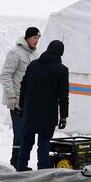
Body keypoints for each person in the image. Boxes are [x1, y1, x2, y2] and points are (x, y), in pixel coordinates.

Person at [15, 39, 68, 171]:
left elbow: (23, 86)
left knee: (26, 141)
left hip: (30, 111)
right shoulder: (62, 70)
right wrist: (63, 116)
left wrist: (21, 106)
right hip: (48, 114)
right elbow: (63, 96)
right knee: (44, 143)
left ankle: (21, 168)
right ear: (60, 53)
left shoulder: (33, 65)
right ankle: (42, 170)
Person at [0, 27, 40, 165]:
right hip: (16, 101)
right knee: (19, 134)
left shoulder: (35, 55)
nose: (37, 41)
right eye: (35, 37)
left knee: (27, 134)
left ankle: (22, 164)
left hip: (29, 101)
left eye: (38, 38)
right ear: (27, 37)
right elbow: (5, 75)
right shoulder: (15, 53)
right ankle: (15, 162)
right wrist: (10, 96)